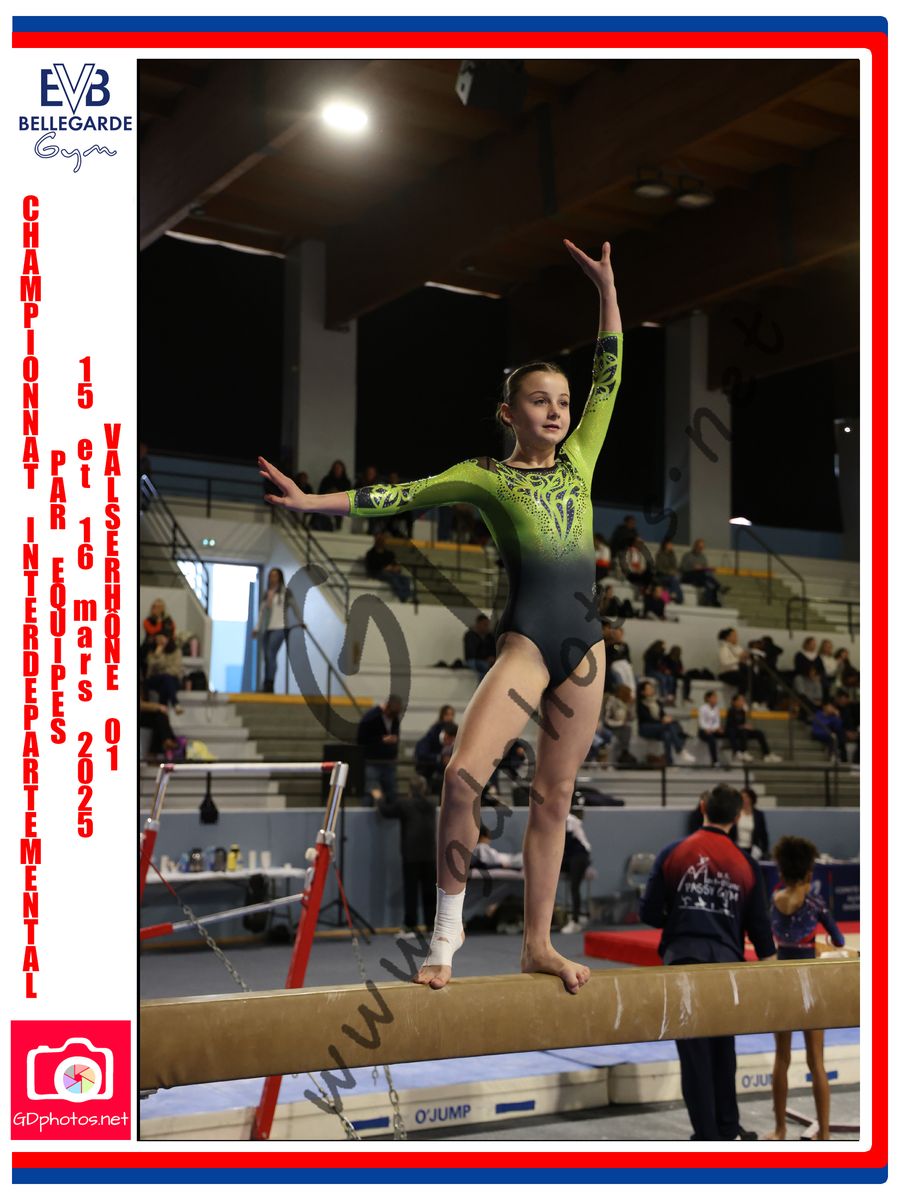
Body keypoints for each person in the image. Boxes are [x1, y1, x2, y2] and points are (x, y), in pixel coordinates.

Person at [259, 236, 622, 994]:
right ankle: (445, 937)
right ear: (508, 412)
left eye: (563, 401)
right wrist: (311, 502)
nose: (558, 411)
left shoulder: (582, 457)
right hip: (530, 646)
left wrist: (606, 292)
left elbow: (610, 371)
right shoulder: (484, 476)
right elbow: (397, 495)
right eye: (540, 400)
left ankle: (538, 944)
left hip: (586, 650)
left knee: (554, 799)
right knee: (461, 779)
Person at [640, 784, 777, 1141]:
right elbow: (761, 930)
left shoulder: (673, 852)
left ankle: (709, 1136)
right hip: (726, 965)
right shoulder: (746, 864)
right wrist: (778, 975)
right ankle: (727, 1129)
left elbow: (648, 912)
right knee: (723, 1048)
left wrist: (679, 918)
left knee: (695, 1054)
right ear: (738, 816)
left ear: (702, 807)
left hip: (684, 959)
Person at [765, 835, 845, 1142]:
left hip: (782, 983)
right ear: (809, 873)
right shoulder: (814, 903)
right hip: (809, 985)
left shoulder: (774, 901)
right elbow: (838, 939)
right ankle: (824, 1133)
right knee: (817, 1062)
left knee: (781, 1058)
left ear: (782, 872)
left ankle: (779, 1129)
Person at [375, 773, 439, 937]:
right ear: (424, 788)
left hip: (411, 855)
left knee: (411, 892)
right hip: (430, 854)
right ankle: (431, 927)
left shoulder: (404, 804)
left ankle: (410, 926)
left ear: (410, 789)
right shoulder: (432, 803)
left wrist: (379, 798)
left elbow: (386, 812)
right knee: (430, 893)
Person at [252, 567, 302, 692]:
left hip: (280, 627)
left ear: (280, 577)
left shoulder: (285, 592)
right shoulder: (267, 593)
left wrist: (300, 621)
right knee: (267, 657)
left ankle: (270, 684)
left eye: (275, 576)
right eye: (270, 576)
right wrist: (257, 628)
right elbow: (262, 613)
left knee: (271, 654)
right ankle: (266, 684)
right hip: (267, 628)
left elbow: (295, 607)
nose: (272, 578)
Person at [358, 694, 403, 808]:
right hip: (372, 761)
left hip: (388, 761)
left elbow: (396, 734)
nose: (392, 716)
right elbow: (361, 739)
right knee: (370, 791)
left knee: (391, 792)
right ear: (386, 707)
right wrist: (381, 740)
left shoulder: (395, 718)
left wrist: (394, 741)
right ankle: (365, 813)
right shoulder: (371, 717)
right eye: (391, 713)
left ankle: (391, 815)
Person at [637, 680, 695, 766]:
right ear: (642, 692)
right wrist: (662, 721)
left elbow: (662, 714)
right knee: (669, 725)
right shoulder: (640, 704)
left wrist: (666, 718)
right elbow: (647, 718)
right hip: (646, 727)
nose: (651, 690)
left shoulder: (657, 702)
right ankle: (680, 749)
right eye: (648, 689)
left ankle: (669, 762)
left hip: (659, 727)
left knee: (667, 735)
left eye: (651, 688)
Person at [560, 800, 593, 934]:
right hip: (568, 857)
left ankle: (575, 921)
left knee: (574, 887)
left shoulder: (570, 820)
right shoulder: (555, 820)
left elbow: (577, 844)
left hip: (579, 856)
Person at [724, 693, 781, 763]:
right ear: (735, 702)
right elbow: (730, 725)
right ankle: (743, 752)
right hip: (735, 731)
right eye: (740, 700)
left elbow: (743, 723)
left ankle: (767, 754)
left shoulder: (742, 711)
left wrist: (746, 726)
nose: (742, 702)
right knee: (743, 731)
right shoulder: (731, 711)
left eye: (743, 700)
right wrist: (743, 726)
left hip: (742, 730)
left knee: (759, 733)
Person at [364, 530, 413, 603]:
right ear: (376, 541)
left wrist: (396, 568)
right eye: (379, 540)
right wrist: (384, 568)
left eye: (382, 540)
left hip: (391, 572)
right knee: (393, 578)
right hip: (377, 572)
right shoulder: (371, 553)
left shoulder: (389, 553)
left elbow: (395, 563)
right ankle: (403, 596)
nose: (381, 542)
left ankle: (407, 596)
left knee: (406, 578)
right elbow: (371, 566)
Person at [144, 633, 184, 714]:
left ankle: (162, 709)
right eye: (157, 638)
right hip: (155, 679)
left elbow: (176, 669)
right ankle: (175, 703)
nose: (160, 640)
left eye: (162, 638)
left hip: (171, 679)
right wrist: (158, 654)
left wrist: (163, 672)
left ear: (168, 639)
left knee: (166, 683)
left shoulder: (176, 651)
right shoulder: (152, 651)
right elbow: (151, 668)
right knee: (166, 680)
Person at [680, 538, 726, 606]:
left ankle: (713, 601)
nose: (700, 549)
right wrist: (693, 567)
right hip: (689, 576)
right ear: (695, 546)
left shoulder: (703, 557)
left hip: (701, 577)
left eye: (702, 548)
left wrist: (706, 569)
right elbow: (683, 568)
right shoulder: (687, 555)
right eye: (699, 547)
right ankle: (719, 586)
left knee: (708, 582)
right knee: (705, 577)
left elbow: (705, 569)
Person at [414, 720, 457, 793]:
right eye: (450, 739)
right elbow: (422, 755)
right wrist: (440, 758)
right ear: (445, 735)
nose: (450, 742)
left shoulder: (449, 746)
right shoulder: (429, 740)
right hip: (426, 773)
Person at [600, 685, 637, 765]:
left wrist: (631, 705)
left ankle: (624, 752)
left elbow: (632, 718)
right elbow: (606, 720)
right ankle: (624, 752)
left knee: (627, 728)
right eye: (629, 693)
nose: (630, 695)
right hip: (610, 726)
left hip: (621, 727)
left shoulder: (626, 703)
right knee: (626, 729)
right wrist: (620, 723)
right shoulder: (611, 701)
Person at [733, 786, 769, 860]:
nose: (744, 799)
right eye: (742, 797)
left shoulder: (758, 815)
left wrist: (763, 851)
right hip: (737, 848)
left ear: (751, 799)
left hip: (752, 850)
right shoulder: (735, 813)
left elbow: (763, 835)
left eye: (746, 797)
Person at [717, 627, 753, 696]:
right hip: (727, 673)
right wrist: (739, 659)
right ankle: (740, 698)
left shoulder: (737, 647)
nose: (736, 638)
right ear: (728, 637)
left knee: (752, 676)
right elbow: (725, 663)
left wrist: (746, 658)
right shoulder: (724, 648)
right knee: (743, 679)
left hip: (739, 671)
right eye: (734, 636)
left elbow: (745, 660)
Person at [463, 613, 497, 679]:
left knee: (488, 666)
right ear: (478, 624)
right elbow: (471, 652)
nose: (487, 627)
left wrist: (492, 657)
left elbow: (493, 649)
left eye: (487, 625)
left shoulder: (490, 637)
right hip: (473, 660)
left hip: (485, 661)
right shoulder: (470, 635)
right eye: (484, 624)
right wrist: (485, 658)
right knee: (476, 665)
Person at [697, 689, 725, 766]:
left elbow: (717, 721)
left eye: (716, 697)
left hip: (713, 730)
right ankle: (715, 761)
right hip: (703, 730)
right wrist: (708, 729)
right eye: (713, 697)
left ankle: (736, 753)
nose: (715, 699)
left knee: (727, 732)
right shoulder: (702, 708)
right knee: (711, 739)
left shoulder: (716, 708)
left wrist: (716, 728)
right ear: (708, 698)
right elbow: (701, 722)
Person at [654, 538, 684, 604]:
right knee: (674, 580)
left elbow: (675, 566)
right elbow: (659, 568)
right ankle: (676, 598)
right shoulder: (659, 554)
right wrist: (668, 572)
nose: (671, 546)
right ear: (665, 545)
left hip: (671, 575)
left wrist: (674, 571)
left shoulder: (672, 555)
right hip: (661, 576)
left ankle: (677, 598)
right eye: (670, 544)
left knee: (676, 579)